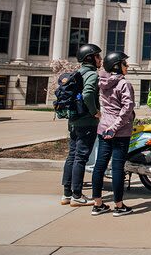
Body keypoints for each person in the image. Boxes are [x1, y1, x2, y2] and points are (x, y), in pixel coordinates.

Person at [91, 51, 136, 217]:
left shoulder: (102, 82)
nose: (127, 66)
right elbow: (127, 109)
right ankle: (119, 206)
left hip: (103, 129)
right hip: (120, 132)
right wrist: (115, 127)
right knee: (117, 168)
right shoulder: (124, 84)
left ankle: (98, 204)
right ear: (117, 66)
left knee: (100, 166)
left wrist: (108, 126)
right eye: (124, 63)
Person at [61, 43, 102, 207]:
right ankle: (77, 195)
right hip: (86, 122)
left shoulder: (77, 73)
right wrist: (94, 112)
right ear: (90, 58)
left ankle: (67, 194)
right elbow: (88, 94)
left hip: (74, 121)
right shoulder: (91, 74)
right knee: (81, 157)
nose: (100, 59)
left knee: (72, 156)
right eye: (98, 56)